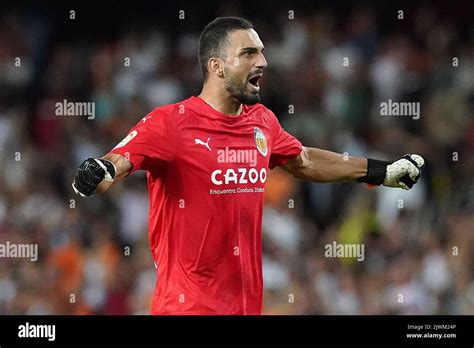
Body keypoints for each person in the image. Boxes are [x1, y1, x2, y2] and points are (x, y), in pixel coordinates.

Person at [72, 17, 424, 314]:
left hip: (246, 306)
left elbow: (303, 159)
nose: (263, 62)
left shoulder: (263, 122)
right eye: (249, 53)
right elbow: (113, 165)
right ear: (217, 66)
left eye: (262, 52)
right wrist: (96, 174)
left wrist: (383, 171)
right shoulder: (170, 123)